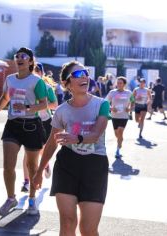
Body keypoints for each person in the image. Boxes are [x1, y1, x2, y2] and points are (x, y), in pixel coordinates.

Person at [33, 61, 110, 236]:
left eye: (85, 73)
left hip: (94, 167)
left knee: (88, 229)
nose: (83, 76)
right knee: (67, 222)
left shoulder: (101, 105)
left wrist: (77, 138)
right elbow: (52, 143)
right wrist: (38, 172)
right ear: (66, 84)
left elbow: (96, 134)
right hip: (67, 165)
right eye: (77, 74)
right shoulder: (61, 111)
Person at [0, 47, 48, 216]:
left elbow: (44, 104)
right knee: (8, 165)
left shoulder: (36, 81)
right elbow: (5, 97)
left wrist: (27, 107)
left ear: (30, 61)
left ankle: (31, 198)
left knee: (32, 166)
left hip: (32, 126)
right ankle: (10, 198)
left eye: (24, 56)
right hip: (13, 125)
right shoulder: (10, 79)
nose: (19, 58)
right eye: (17, 56)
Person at [20, 62, 58, 193]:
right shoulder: (26, 86)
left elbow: (55, 105)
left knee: (41, 150)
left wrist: (41, 105)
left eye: (37, 70)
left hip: (45, 122)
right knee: (27, 153)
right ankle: (26, 182)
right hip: (30, 122)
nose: (34, 72)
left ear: (41, 73)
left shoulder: (47, 87)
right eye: (32, 70)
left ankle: (45, 164)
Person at [106, 76, 134, 158]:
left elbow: (133, 101)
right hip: (114, 116)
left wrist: (130, 108)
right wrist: (111, 108)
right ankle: (120, 140)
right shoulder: (112, 92)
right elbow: (106, 102)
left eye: (120, 83)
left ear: (124, 84)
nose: (118, 84)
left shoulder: (129, 93)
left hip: (124, 116)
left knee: (120, 131)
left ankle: (117, 150)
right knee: (117, 134)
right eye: (117, 83)